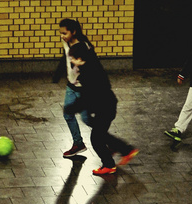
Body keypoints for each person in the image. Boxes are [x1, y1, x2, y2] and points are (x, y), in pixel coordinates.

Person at [65, 43, 139, 176]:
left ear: (81, 59)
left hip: (104, 108)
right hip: (107, 106)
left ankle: (110, 164)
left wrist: (72, 108)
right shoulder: (93, 66)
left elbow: (86, 98)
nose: (71, 60)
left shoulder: (88, 75)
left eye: (74, 58)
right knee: (101, 133)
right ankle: (122, 149)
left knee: (96, 139)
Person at [52, 18, 95, 158]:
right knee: (68, 114)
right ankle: (78, 143)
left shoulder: (84, 46)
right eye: (60, 33)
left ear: (74, 32)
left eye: (64, 33)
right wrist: (57, 74)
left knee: (87, 119)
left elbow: (91, 68)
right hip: (71, 87)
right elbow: (64, 57)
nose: (62, 36)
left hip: (85, 89)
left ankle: (107, 141)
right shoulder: (66, 43)